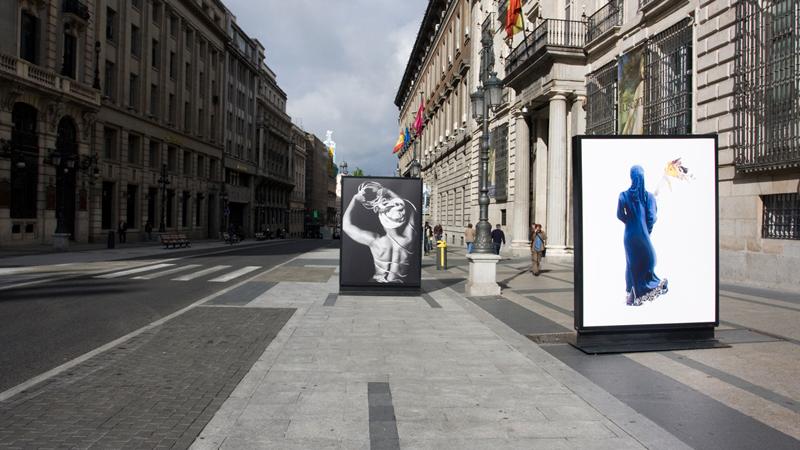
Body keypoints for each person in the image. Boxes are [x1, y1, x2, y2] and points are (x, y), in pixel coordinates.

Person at [343, 181, 417, 283]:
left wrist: (354, 199)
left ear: (382, 218)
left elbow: (346, 225)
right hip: (399, 284)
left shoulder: (376, 242)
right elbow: (410, 208)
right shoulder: (408, 239)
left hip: (378, 282)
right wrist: (389, 192)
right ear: (401, 219)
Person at [617, 165, 668, 306]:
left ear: (631, 176)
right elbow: (652, 217)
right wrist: (646, 230)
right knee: (646, 262)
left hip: (629, 235)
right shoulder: (649, 197)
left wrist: (630, 222)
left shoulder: (623, 195)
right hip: (643, 234)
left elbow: (620, 215)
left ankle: (631, 295)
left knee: (631, 263)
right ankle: (638, 294)